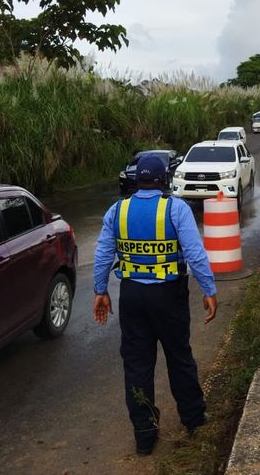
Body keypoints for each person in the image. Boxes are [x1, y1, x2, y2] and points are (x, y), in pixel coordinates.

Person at [93, 155, 218, 456]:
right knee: (179, 358)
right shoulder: (175, 209)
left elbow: (102, 254)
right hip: (169, 297)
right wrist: (208, 289)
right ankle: (194, 420)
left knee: (137, 365)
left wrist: (100, 290)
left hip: (132, 296)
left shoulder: (118, 210)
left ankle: (145, 435)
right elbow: (195, 253)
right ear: (164, 181)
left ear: (138, 180)